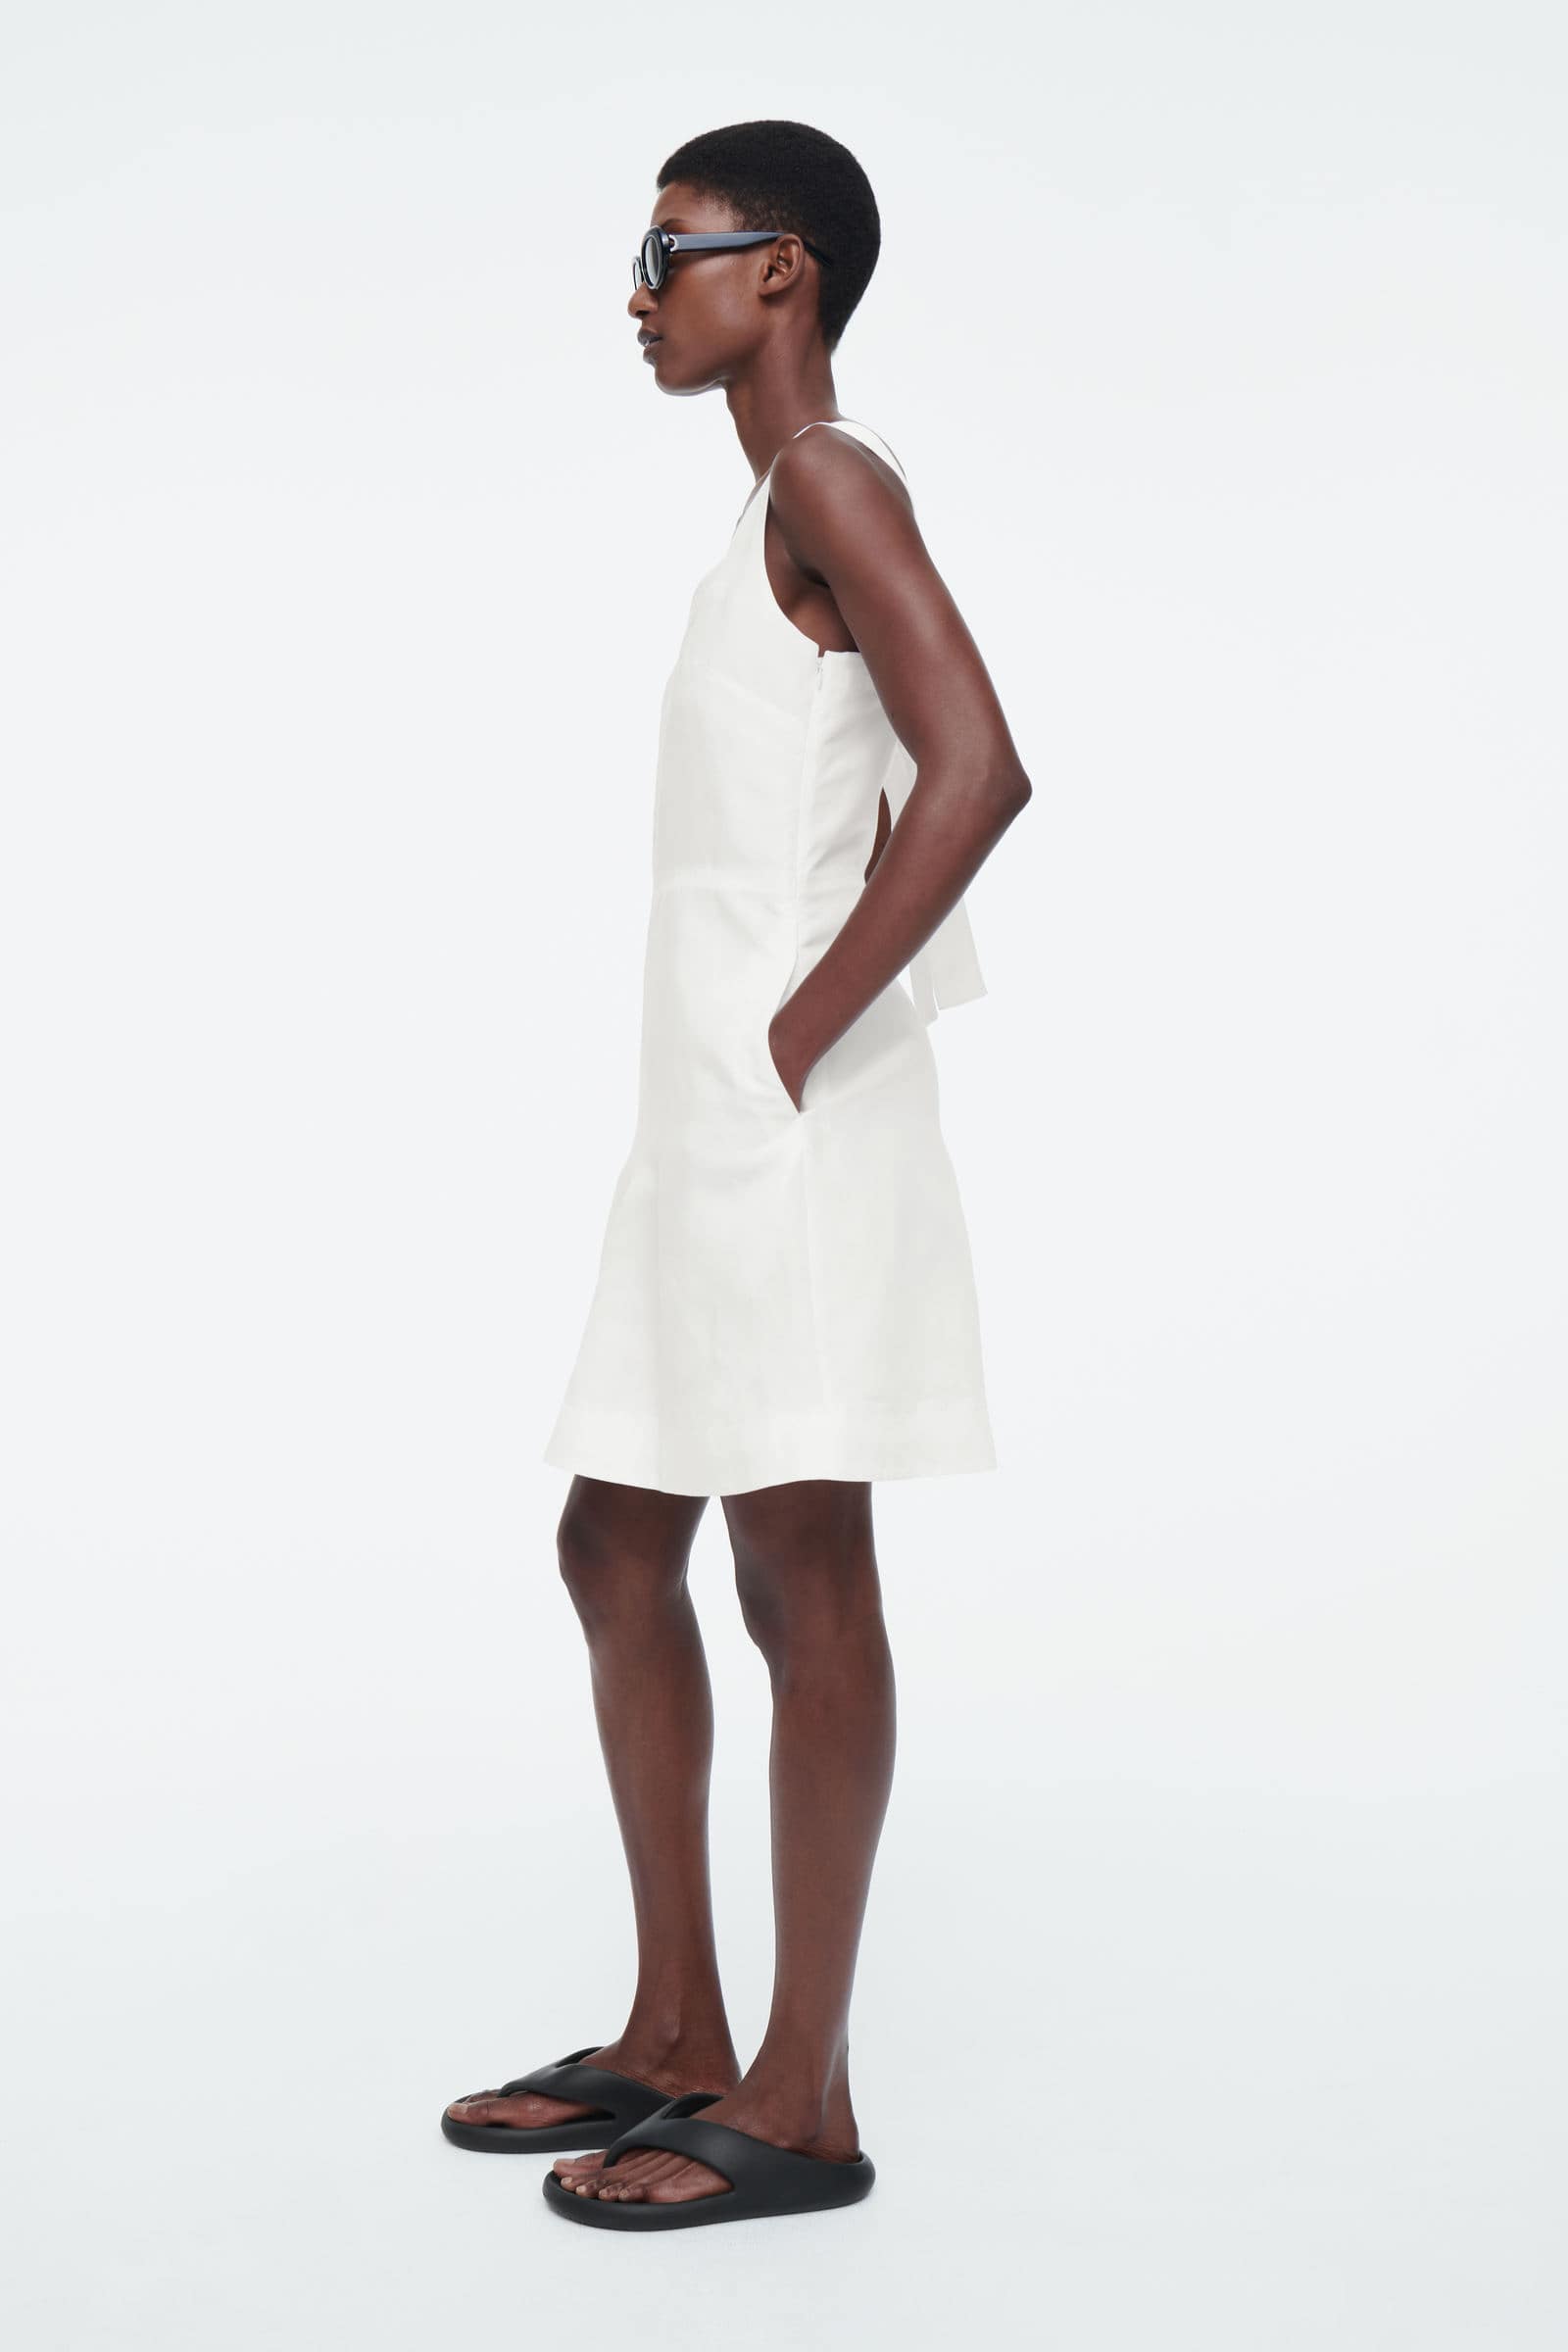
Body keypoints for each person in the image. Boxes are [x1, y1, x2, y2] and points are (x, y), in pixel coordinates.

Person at [443, 119, 1032, 2231]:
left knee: (799, 1572)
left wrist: (796, 1031)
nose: (636, 291)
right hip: (698, 1131)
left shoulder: (829, 481)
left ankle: (803, 2099)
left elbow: (979, 770)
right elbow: (859, 790)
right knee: (618, 1545)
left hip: (781, 1127)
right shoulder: (768, 513)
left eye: (668, 248)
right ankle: (678, 2028)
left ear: (782, 272)